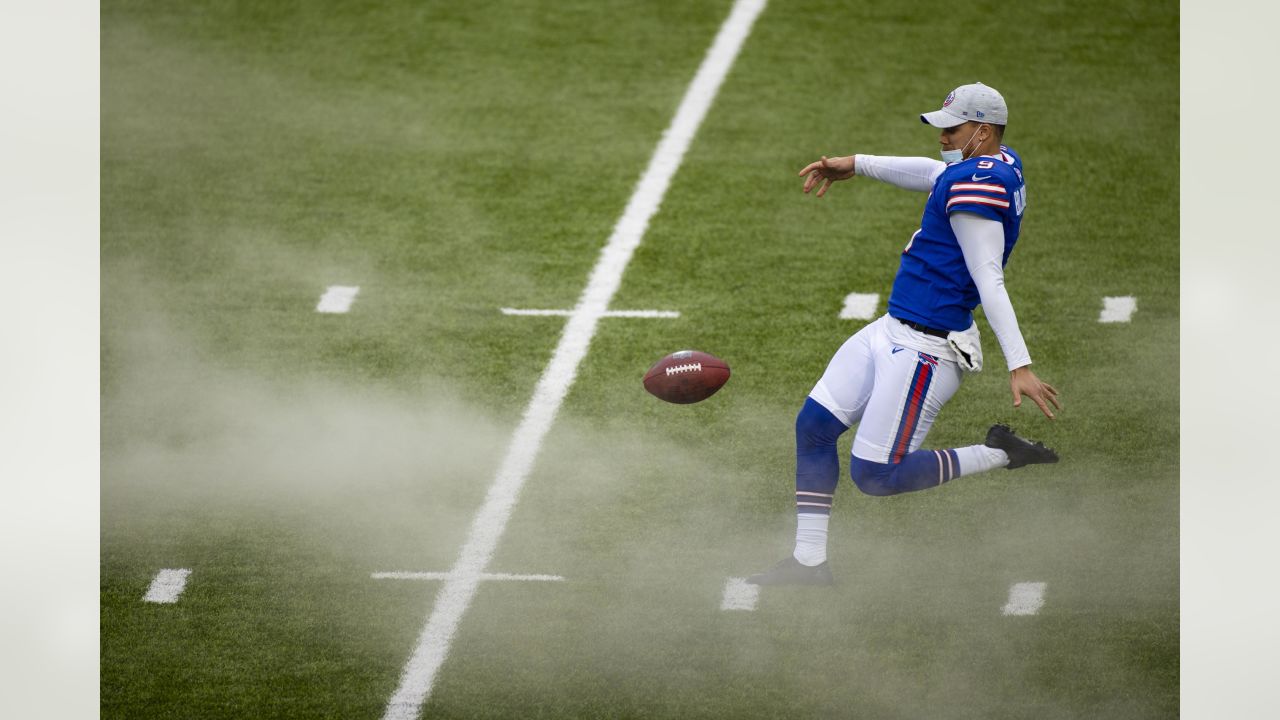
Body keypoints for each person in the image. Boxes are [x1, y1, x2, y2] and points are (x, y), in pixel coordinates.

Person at [747, 82, 1061, 586]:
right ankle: (808, 564)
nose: (941, 136)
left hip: (927, 349)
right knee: (813, 428)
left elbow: (989, 277)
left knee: (875, 476)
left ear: (982, 132)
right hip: (893, 327)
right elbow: (937, 174)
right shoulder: (996, 160)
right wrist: (859, 163)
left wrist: (1019, 363)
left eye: (952, 128)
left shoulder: (978, 192)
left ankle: (1001, 452)